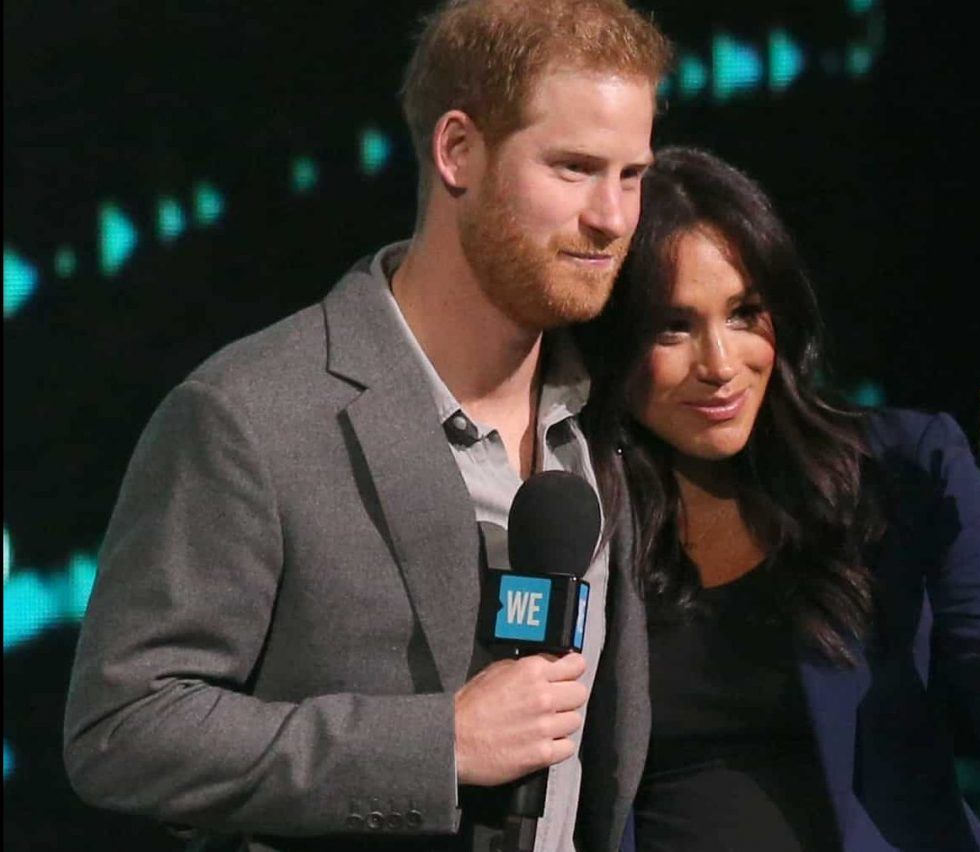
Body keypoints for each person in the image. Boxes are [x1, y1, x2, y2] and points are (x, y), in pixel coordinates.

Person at [62, 2, 670, 850]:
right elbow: (122, 731)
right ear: (458, 150)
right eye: (573, 168)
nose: (612, 216)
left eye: (631, 175)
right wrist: (437, 746)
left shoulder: (606, 421)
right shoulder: (250, 412)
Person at [573, 147, 980, 851]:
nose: (719, 364)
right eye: (673, 326)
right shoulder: (573, 507)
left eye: (745, 313)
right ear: (613, 337)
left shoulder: (900, 472)